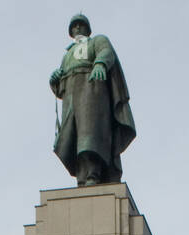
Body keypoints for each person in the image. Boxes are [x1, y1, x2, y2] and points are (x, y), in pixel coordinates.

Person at [50, 14, 136, 186]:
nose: (77, 28)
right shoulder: (67, 55)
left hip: (92, 91)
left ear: (87, 28)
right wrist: (55, 80)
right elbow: (61, 87)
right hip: (71, 98)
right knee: (73, 137)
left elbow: (106, 52)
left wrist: (100, 64)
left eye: (80, 25)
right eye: (74, 26)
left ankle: (93, 173)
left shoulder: (97, 41)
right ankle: (82, 176)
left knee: (90, 135)